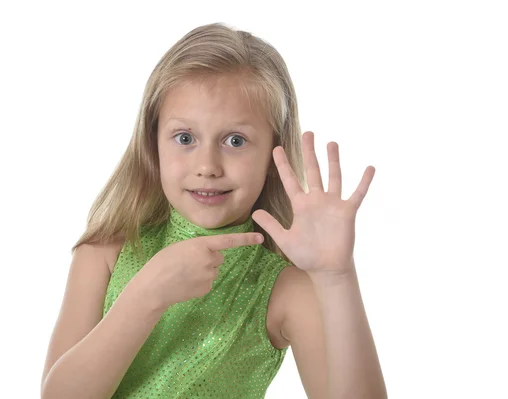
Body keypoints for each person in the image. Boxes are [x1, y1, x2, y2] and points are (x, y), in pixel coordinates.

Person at [40, 22, 387, 399]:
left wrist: (336, 277)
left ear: (274, 155)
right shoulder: (104, 253)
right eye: (185, 138)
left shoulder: (281, 288)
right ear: (152, 144)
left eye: (235, 140)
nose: (207, 165)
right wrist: (145, 296)